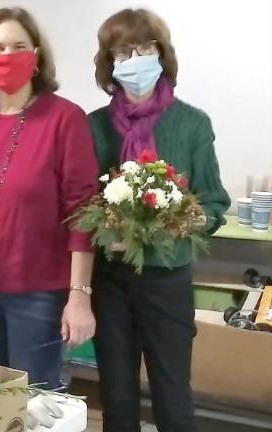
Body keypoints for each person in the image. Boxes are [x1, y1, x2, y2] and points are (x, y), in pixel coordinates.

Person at [88, 9, 230, 431]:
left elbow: (216, 202)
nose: (135, 59)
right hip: (112, 281)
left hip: (168, 280)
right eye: (123, 51)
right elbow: (82, 206)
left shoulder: (192, 123)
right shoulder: (95, 126)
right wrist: (106, 229)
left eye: (145, 48)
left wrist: (184, 219)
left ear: (161, 54)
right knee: (116, 397)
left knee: (172, 398)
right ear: (109, 62)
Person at [0, 7, 98, 389]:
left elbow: (84, 214)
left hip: (40, 293)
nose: (7, 55)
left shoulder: (65, 119)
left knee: (37, 400)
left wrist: (79, 296)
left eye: (19, 46)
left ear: (36, 59)